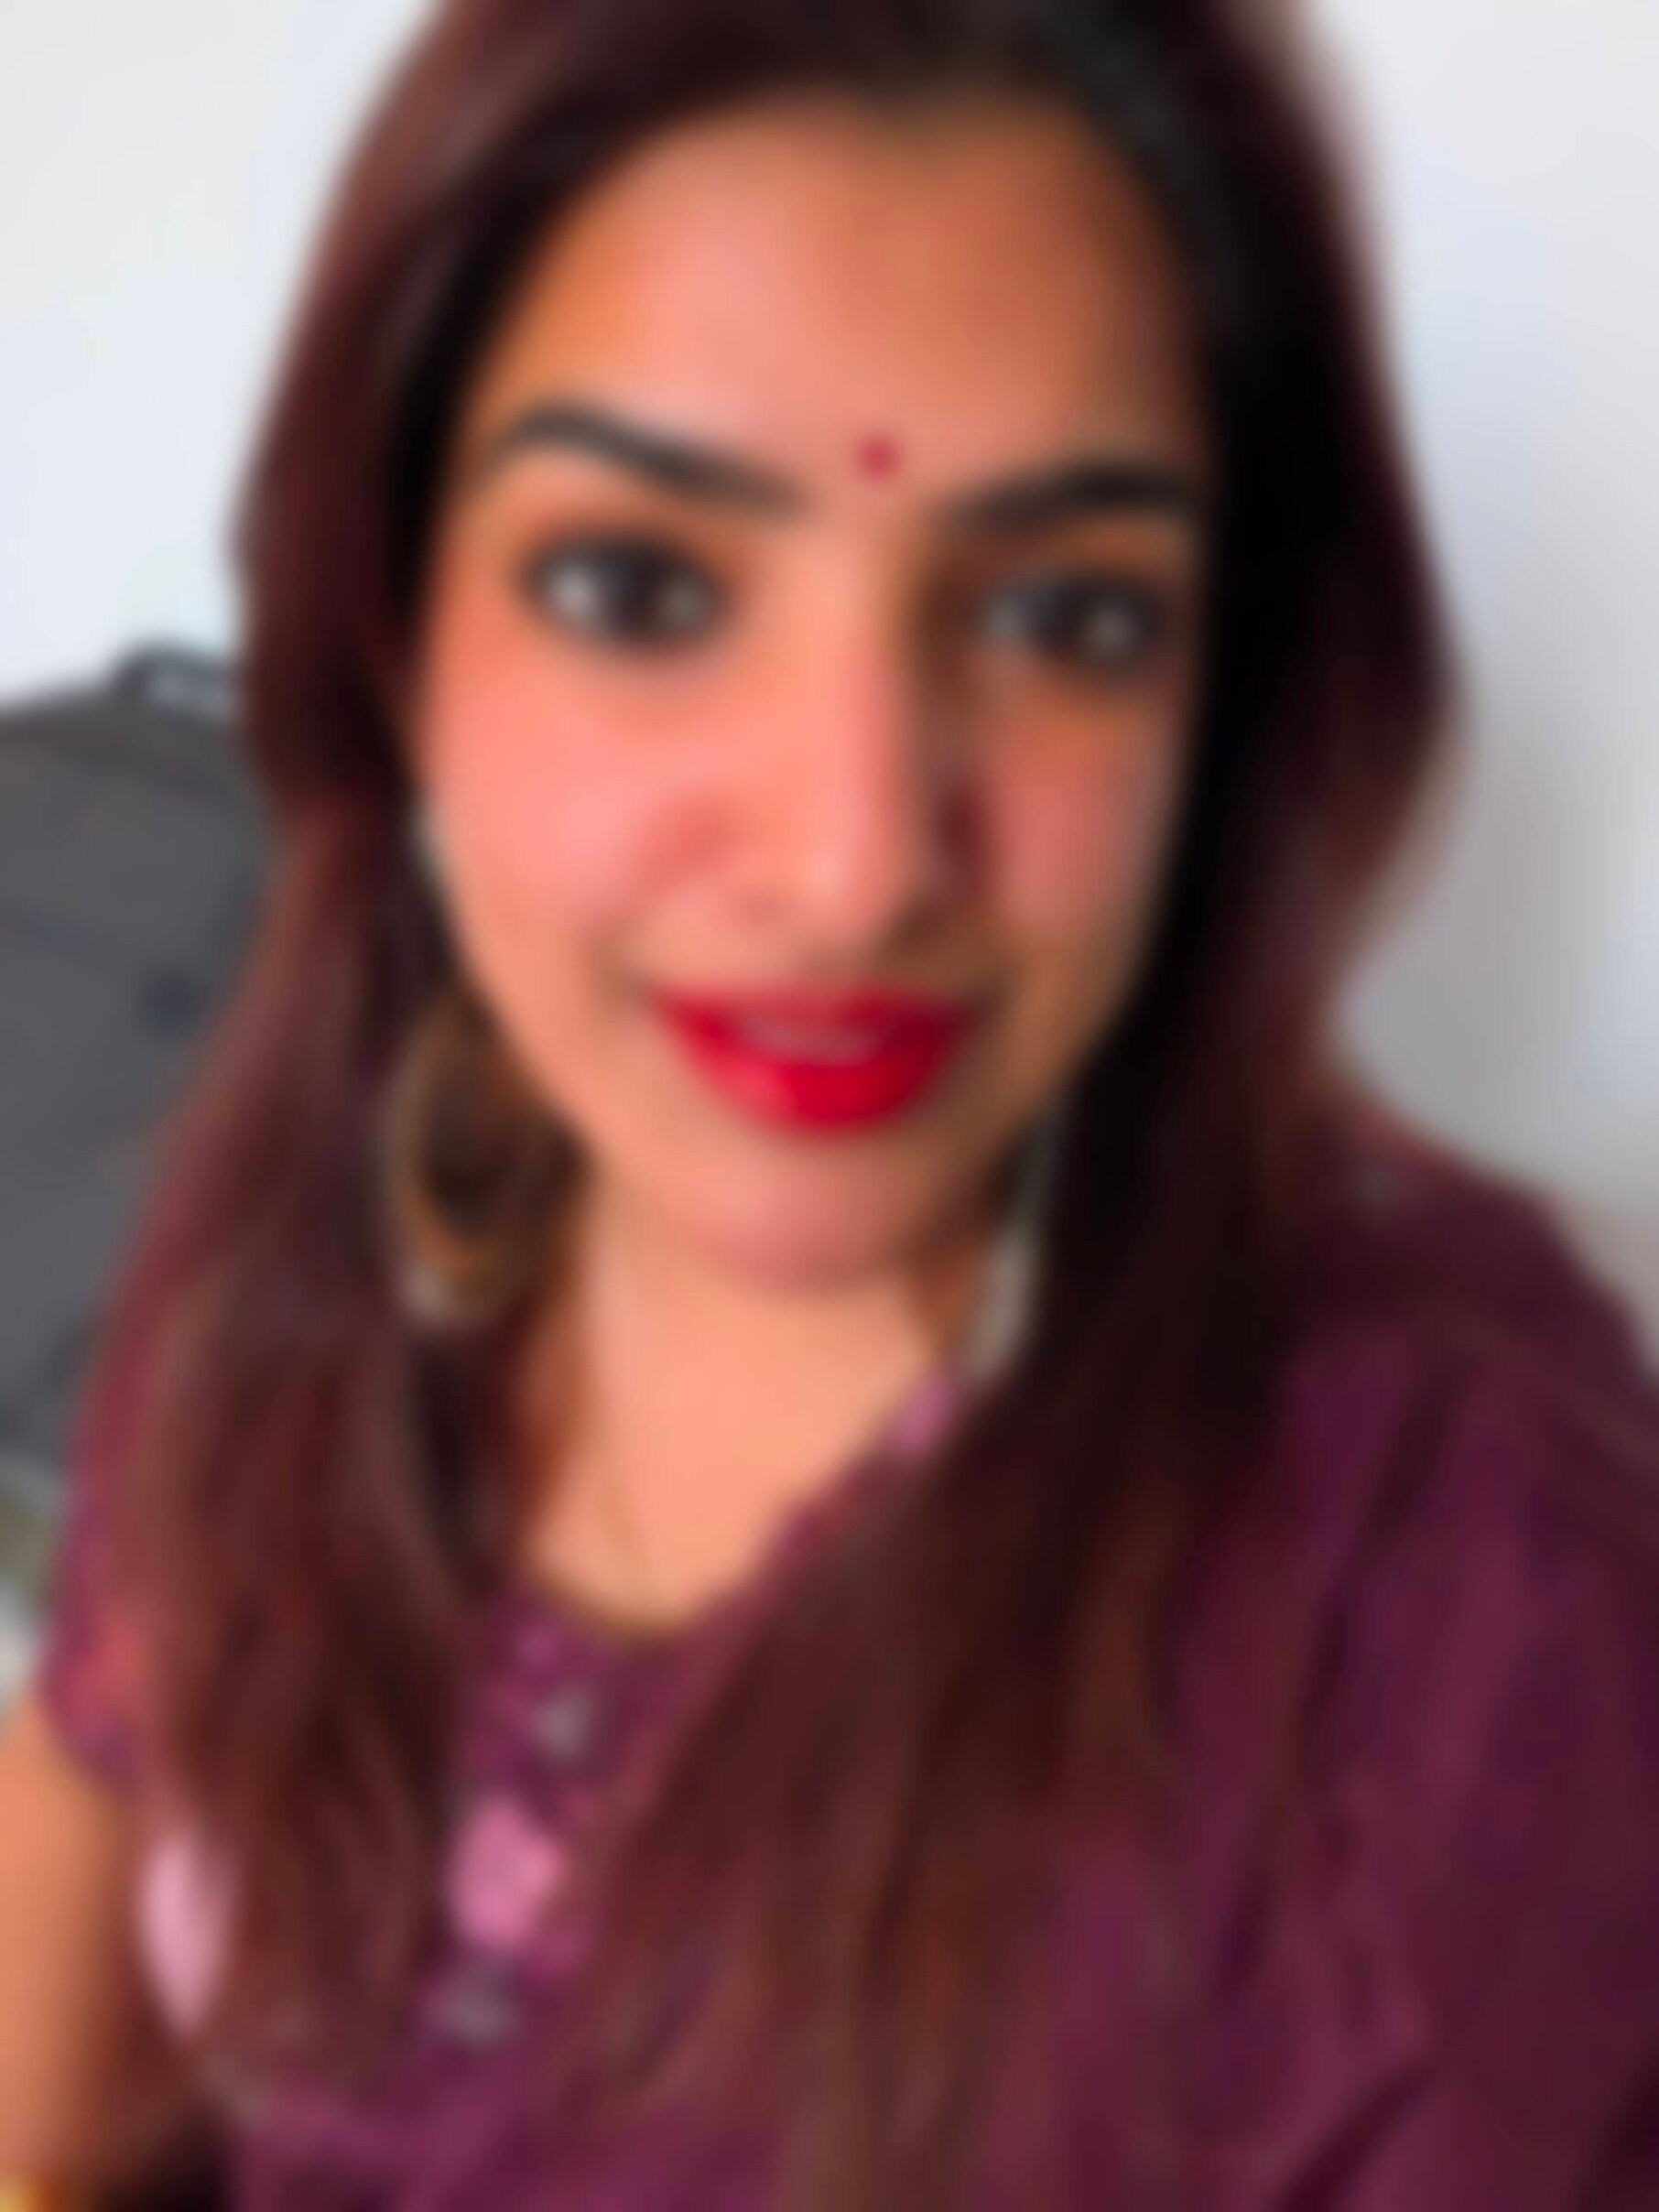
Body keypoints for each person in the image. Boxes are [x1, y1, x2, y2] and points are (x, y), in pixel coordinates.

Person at [3, 0, 1657, 2204]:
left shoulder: (1463, 1596)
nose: (863, 859)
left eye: (1067, 614)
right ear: (390, 636)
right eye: (640, 587)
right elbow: (78, 1908)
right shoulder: (326, 1182)